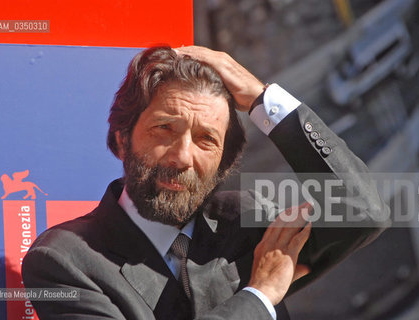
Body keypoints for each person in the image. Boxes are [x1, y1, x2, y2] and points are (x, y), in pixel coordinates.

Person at [22, 46, 389, 319]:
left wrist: (265, 101)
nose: (182, 157)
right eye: (164, 129)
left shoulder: (247, 220)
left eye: (205, 140)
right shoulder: (64, 259)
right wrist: (259, 297)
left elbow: (362, 212)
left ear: (224, 165)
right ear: (121, 139)